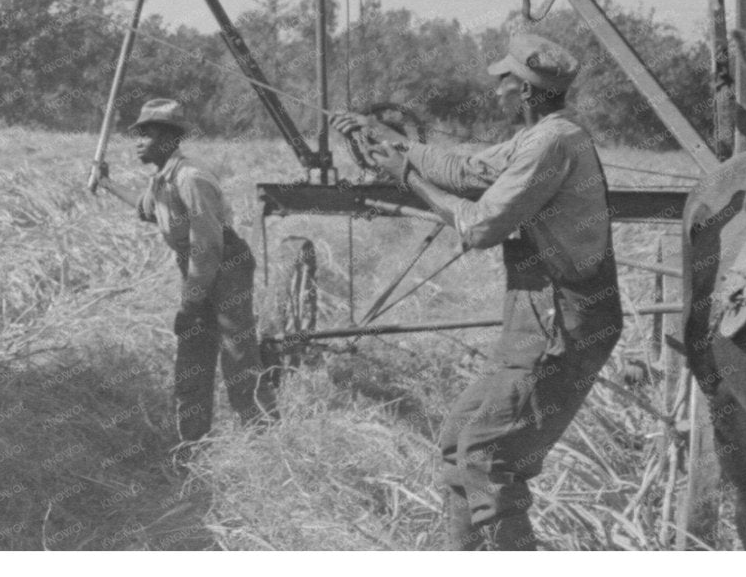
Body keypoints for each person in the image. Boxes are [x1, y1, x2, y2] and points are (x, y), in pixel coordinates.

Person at [333, 32, 620, 551]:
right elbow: (469, 172)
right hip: (537, 318)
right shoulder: (547, 131)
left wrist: (410, 181)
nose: (497, 93)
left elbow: (480, 227)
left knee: (488, 455)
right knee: (456, 444)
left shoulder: (551, 141)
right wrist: (392, 140)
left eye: (505, 82)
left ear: (528, 93)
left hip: (564, 322)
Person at [126, 98, 271, 451]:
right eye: (139, 133)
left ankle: (261, 436)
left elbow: (208, 247)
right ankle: (192, 440)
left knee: (236, 349)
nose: (139, 140)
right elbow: (146, 211)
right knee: (192, 350)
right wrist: (105, 182)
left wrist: (191, 302)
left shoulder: (191, 179)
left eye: (149, 133)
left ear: (170, 139)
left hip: (223, 264)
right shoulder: (162, 178)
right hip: (197, 265)